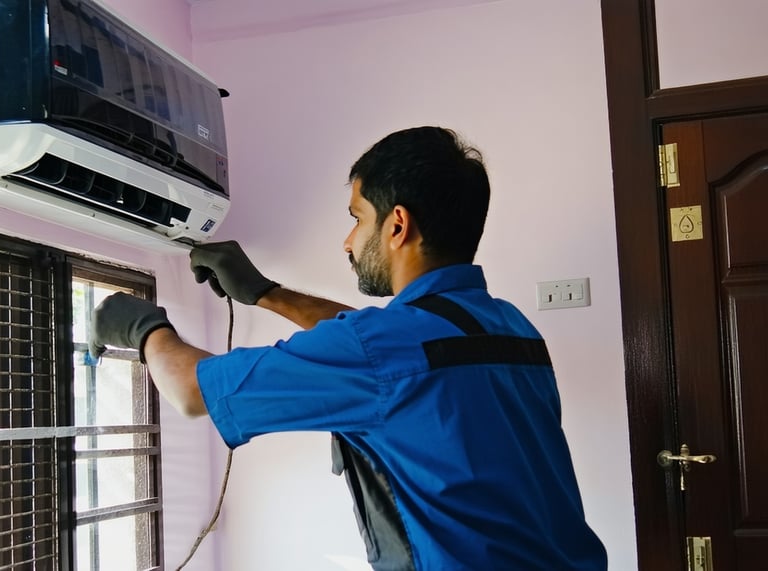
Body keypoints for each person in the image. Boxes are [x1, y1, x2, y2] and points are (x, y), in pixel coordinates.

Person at [90, 126, 608, 570]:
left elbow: (189, 390)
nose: (348, 241)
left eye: (357, 217)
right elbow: (391, 346)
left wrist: (143, 328)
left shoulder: (381, 350)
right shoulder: (508, 328)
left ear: (397, 226)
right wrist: (268, 294)